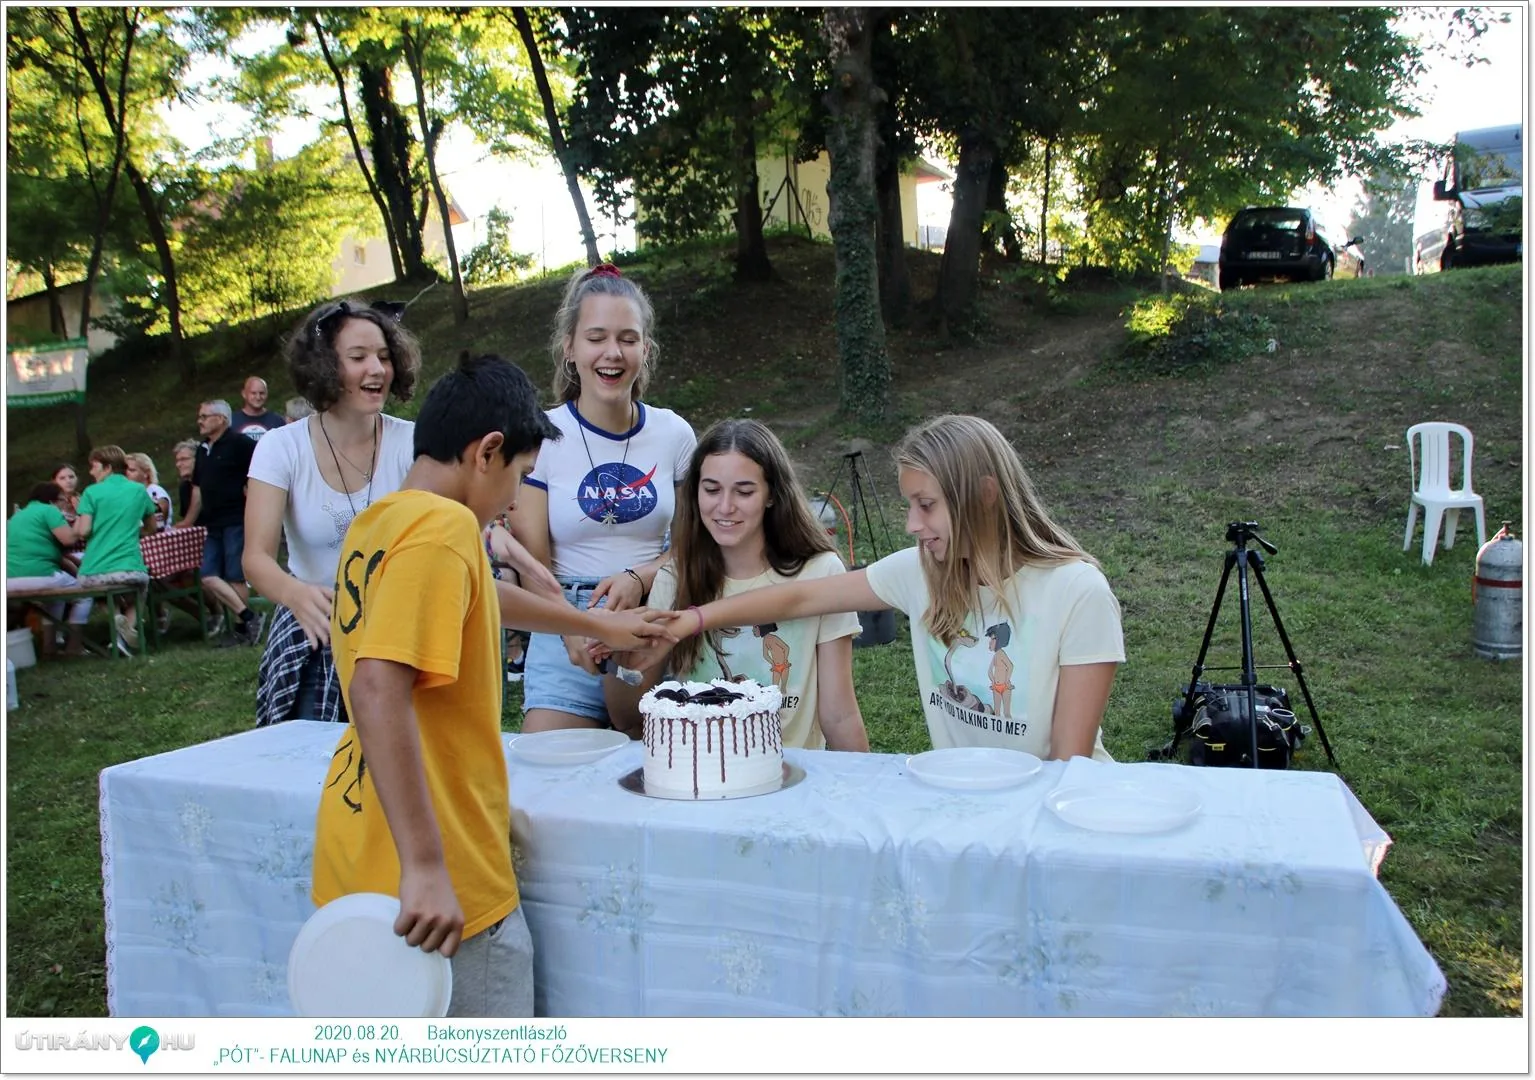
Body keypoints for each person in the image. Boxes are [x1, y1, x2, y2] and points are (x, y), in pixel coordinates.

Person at [311, 353, 670, 1017]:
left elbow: (478, 596)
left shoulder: (387, 519)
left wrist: (595, 622)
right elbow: (375, 689)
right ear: (488, 452)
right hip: (435, 871)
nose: (512, 501)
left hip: (356, 841)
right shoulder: (445, 530)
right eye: (520, 478)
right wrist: (424, 865)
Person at [654, 415, 1125, 762]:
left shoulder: (1078, 592)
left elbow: (1070, 764)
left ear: (984, 495)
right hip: (966, 801)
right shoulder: (922, 572)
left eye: (926, 505)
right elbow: (798, 597)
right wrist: (695, 619)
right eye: (909, 505)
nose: (911, 524)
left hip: (1054, 815)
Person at [508, 263, 697, 734]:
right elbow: (532, 561)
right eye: (596, 337)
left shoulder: (674, 434)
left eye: (628, 339)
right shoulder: (542, 436)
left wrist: (640, 576)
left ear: (645, 350)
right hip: (562, 618)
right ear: (569, 348)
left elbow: (694, 543)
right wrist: (570, 625)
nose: (612, 353)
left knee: (655, 778)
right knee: (551, 782)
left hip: (652, 619)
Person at [603, 419, 869, 751]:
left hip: (790, 778)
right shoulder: (675, 578)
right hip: (700, 774)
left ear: (772, 494)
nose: (725, 507)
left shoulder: (822, 571)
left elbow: (840, 715)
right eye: (711, 489)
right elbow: (627, 719)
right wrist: (620, 657)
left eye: (744, 491)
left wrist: (860, 792)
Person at [245, 298, 424, 725]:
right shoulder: (280, 447)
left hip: (397, 628)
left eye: (383, 357)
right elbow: (255, 558)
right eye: (358, 357)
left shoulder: (416, 443)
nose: (376, 370)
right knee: (311, 771)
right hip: (316, 629)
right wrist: (296, 595)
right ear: (324, 366)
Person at [182, 399, 262, 646]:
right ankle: (249, 618)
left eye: (205, 416)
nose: (200, 421)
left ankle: (242, 629)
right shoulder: (203, 449)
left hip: (236, 518)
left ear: (222, 419)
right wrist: (187, 521)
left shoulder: (240, 444)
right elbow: (197, 490)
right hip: (211, 522)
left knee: (235, 576)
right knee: (207, 575)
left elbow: (259, 476)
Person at [73, 445, 159, 654]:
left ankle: (115, 619)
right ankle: (124, 633)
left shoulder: (91, 492)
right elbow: (152, 527)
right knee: (142, 588)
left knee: (100, 592)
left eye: (94, 467)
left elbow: (83, 531)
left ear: (108, 467)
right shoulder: (138, 490)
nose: (91, 472)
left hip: (94, 571)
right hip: (130, 568)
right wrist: (136, 531)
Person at [5, 482, 90, 657]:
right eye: (62, 500)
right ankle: (74, 646)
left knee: (55, 600)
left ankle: (49, 648)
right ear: (52, 500)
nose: (63, 505)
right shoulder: (49, 510)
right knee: (85, 595)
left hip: (9, 579)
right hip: (40, 575)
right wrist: (81, 514)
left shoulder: (17, 517)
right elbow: (68, 540)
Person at [125, 453, 173, 532]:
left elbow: (159, 519)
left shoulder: (154, 491)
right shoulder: (132, 495)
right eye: (125, 471)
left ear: (146, 473)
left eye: (132, 470)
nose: (127, 474)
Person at [230, 376, 287, 441]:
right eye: (253, 393)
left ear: (267, 394)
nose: (258, 397)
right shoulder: (231, 421)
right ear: (244, 394)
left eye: (262, 393)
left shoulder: (278, 422)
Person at [172, 440, 199, 521]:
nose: (178, 464)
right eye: (177, 461)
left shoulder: (211, 483)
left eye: (184, 459)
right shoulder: (184, 488)